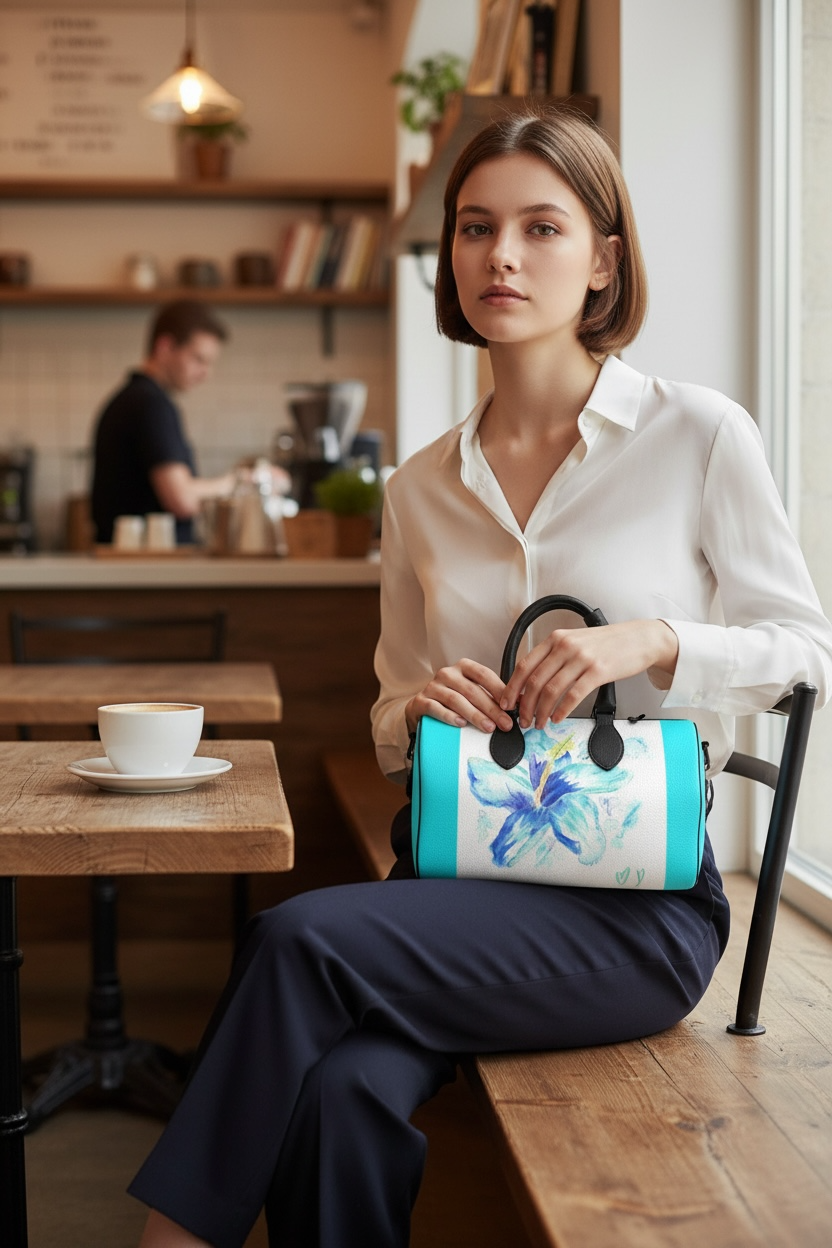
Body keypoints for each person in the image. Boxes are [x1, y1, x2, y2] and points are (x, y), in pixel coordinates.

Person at [129, 108, 832, 1248]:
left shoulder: (698, 435)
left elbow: (803, 652)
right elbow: (389, 721)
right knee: (340, 1092)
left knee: (295, 937)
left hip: (634, 909)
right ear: (450, 256)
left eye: (541, 227)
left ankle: (171, 1239)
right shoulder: (417, 489)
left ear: (603, 260)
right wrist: (422, 707)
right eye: (474, 228)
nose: (501, 255)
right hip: (459, 882)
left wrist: (653, 641)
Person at [90, 300, 237, 545]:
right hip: (146, 563)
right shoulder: (151, 404)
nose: (205, 373)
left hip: (136, 560)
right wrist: (241, 483)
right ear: (165, 347)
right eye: (199, 359)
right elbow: (181, 499)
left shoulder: (134, 398)